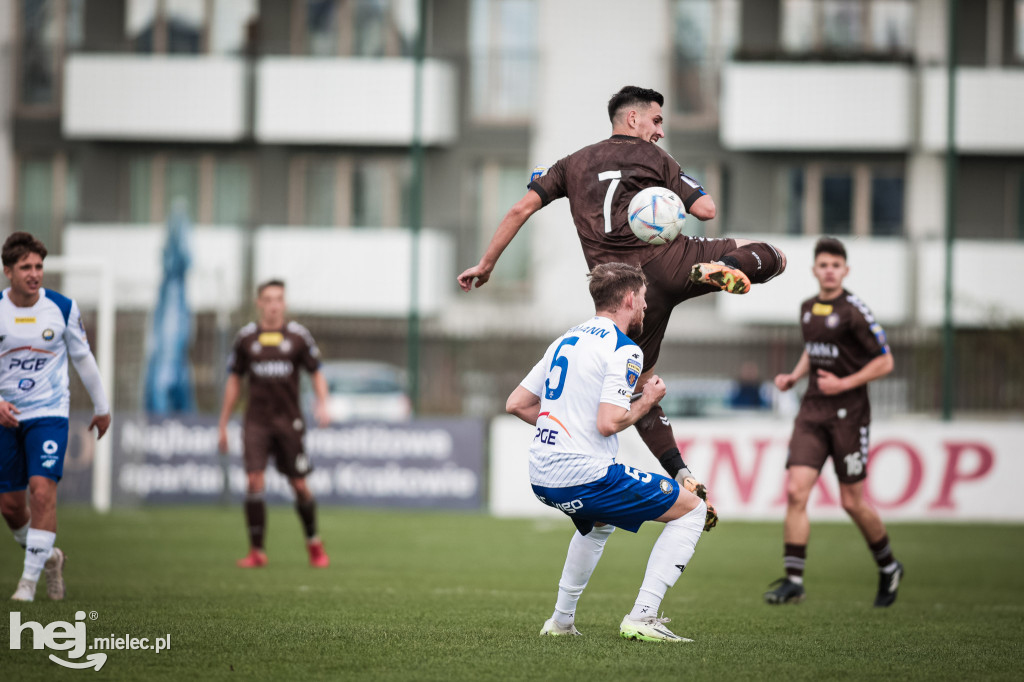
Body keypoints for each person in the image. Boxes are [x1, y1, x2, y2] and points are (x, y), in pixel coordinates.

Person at [459, 85, 787, 506]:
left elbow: (518, 210)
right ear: (633, 119)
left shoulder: (570, 165)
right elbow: (706, 210)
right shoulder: (655, 158)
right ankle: (730, 269)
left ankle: (681, 474)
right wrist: (670, 196)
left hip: (621, 293)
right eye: (657, 121)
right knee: (773, 255)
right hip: (672, 262)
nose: (660, 132)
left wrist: (486, 265)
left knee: (638, 387)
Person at [506, 262, 709, 642]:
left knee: (599, 525)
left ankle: (561, 623)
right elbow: (608, 422)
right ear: (630, 299)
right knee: (692, 511)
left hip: (542, 475)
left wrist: (564, 424)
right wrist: (647, 401)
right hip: (584, 476)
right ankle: (643, 616)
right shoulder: (624, 349)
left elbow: (516, 403)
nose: (646, 308)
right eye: (644, 300)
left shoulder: (564, 340)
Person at [765, 237, 903, 607]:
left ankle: (889, 566)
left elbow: (885, 362)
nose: (829, 270)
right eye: (823, 264)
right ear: (814, 270)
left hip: (849, 416)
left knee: (851, 502)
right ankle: (794, 580)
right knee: (796, 492)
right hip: (812, 412)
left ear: (845, 271)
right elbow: (814, 350)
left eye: (835, 265)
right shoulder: (808, 308)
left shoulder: (855, 310)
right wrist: (795, 377)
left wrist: (845, 382)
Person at [0, 232, 111, 601]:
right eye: (25, 267)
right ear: (7, 272)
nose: (34, 273)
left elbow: (82, 358)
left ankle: (28, 584)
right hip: (5, 416)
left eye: (39, 266)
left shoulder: (62, 308)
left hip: (48, 413)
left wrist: (102, 406)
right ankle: (50, 558)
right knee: (11, 507)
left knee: (42, 491)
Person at [217, 280, 331, 568]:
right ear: (259, 303)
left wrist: (323, 403)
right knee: (254, 480)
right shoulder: (246, 339)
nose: (273, 304)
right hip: (256, 422)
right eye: (267, 299)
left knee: (299, 485)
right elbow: (234, 380)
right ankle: (257, 551)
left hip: (288, 422)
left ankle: (314, 542)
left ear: (284, 303)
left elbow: (316, 372)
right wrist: (223, 423)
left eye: (278, 299)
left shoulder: (298, 337)